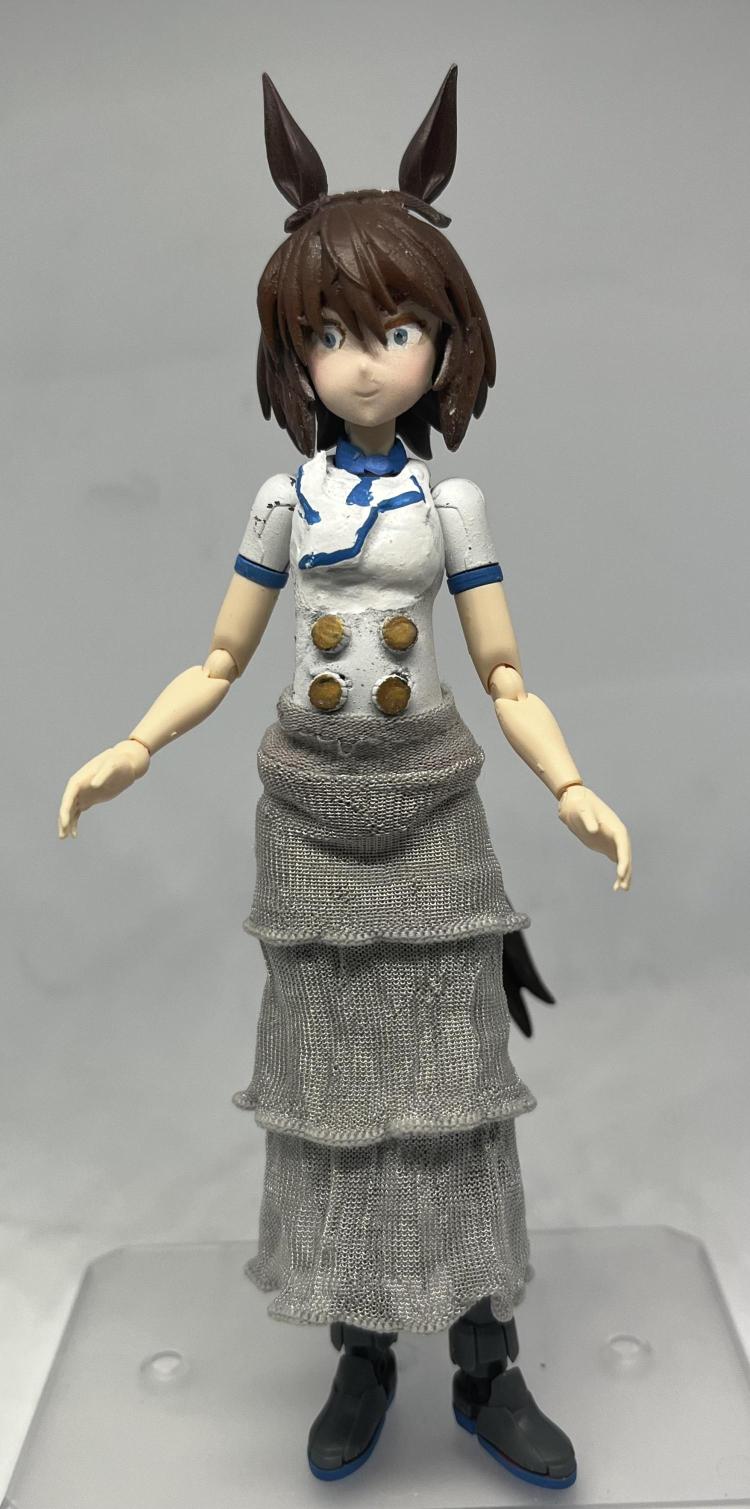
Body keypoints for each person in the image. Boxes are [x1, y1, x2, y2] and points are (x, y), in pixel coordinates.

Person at [59, 67, 631, 1492]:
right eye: (329, 335)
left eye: (394, 328)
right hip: (310, 814)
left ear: (444, 338)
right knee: (332, 1092)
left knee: (454, 1088)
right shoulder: (285, 498)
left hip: (431, 809)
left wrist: (569, 785)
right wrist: (136, 742)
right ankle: (362, 1349)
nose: (364, 363)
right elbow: (220, 652)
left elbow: (503, 672)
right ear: (292, 353)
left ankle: (486, 1361)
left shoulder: (451, 503)